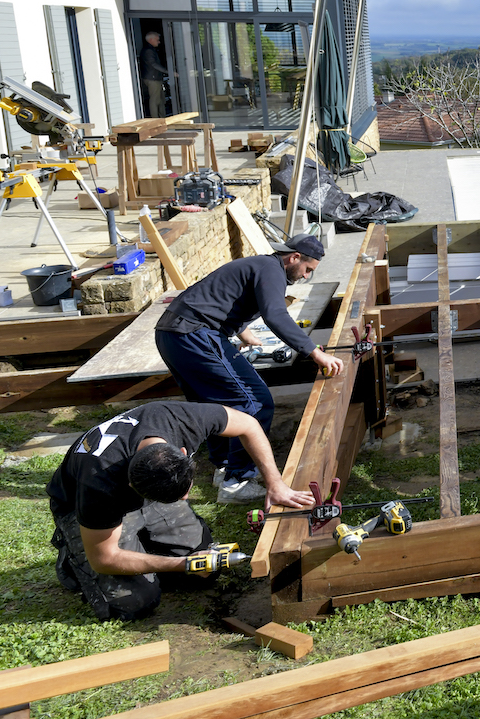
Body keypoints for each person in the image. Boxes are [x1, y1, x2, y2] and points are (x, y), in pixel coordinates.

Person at [47, 401, 315, 621]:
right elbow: (104, 558)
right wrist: (181, 564)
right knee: (134, 603)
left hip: (145, 490)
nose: (186, 497)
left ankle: (145, 546)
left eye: (185, 489)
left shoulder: (179, 420)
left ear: (183, 452)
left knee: (206, 570)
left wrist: (276, 484)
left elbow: (248, 425)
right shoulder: (98, 483)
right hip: (85, 510)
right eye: (179, 496)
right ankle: (73, 562)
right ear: (132, 485)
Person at [154, 233, 345, 504]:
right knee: (256, 402)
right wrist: (314, 352)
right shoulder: (272, 270)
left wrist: (242, 331)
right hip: (194, 334)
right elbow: (276, 314)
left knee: (213, 404)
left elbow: (220, 295)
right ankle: (237, 480)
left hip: (171, 332)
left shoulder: (258, 265)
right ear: (294, 258)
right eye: (307, 270)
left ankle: (223, 468)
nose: (305, 276)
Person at [138, 31, 167, 117]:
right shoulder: (148, 51)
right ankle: (156, 120)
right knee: (155, 100)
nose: (159, 42)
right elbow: (154, 64)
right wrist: (166, 71)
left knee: (160, 99)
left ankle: (162, 118)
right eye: (157, 40)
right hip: (152, 78)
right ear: (151, 40)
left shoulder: (149, 49)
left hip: (154, 77)